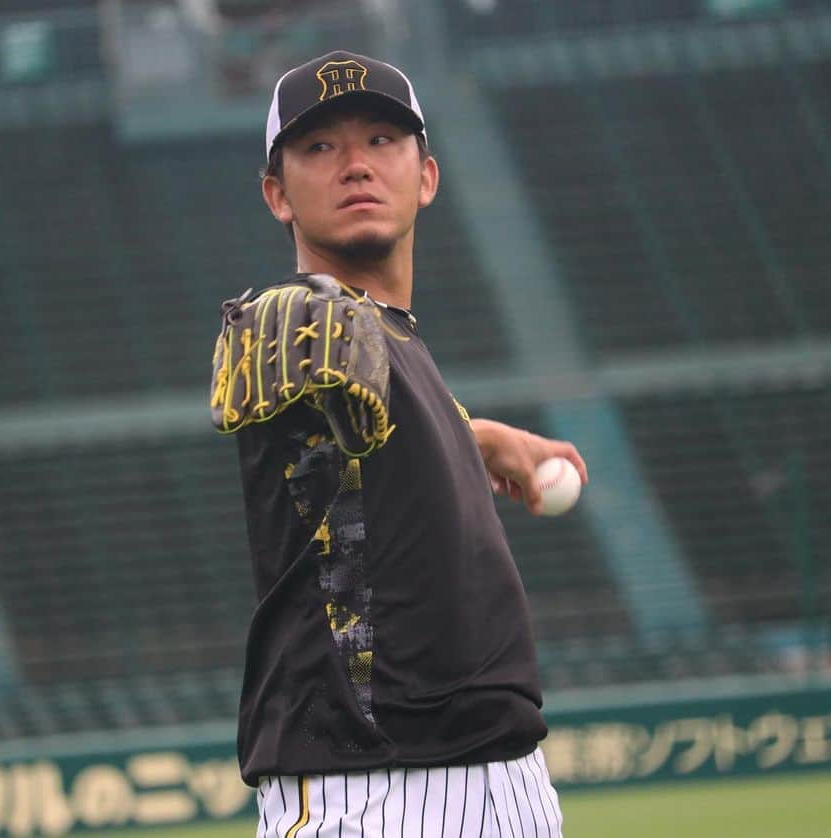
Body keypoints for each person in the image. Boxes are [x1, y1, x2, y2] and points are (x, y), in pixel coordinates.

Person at [212, 49, 588, 837]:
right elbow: (320, 353)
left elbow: (385, 405)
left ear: (427, 177)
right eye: (319, 148)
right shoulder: (305, 323)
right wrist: (289, 312)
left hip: (509, 777)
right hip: (373, 792)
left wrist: (476, 436)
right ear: (277, 195)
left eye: (382, 140)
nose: (355, 164)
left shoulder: (398, 345)